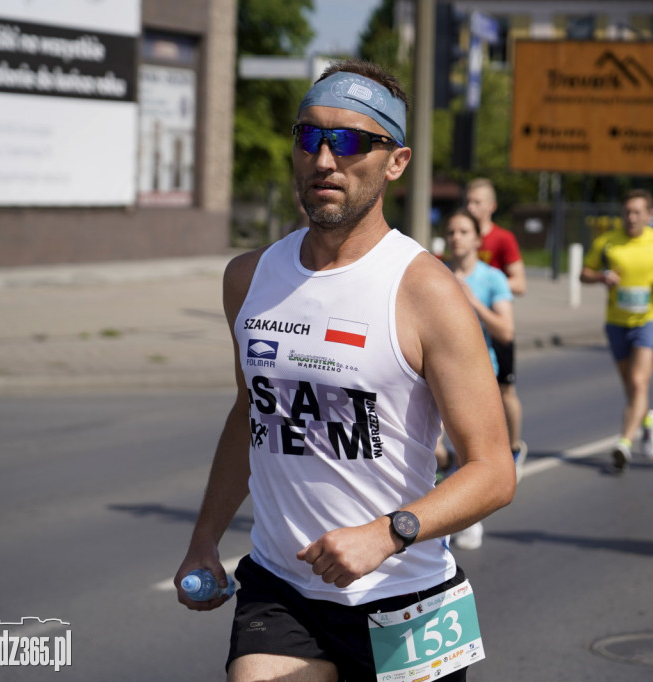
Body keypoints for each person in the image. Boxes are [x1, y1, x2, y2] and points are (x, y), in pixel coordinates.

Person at [174, 59, 515, 682]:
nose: (325, 159)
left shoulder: (425, 292)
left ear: (397, 162)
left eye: (351, 141)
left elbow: (494, 471)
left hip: (405, 601)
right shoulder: (249, 279)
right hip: (282, 587)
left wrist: (389, 532)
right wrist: (205, 538)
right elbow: (252, 411)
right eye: (310, 136)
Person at [579, 190, 653, 470]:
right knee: (631, 386)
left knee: (639, 383)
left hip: (650, 320)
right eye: (627, 211)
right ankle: (648, 421)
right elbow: (584, 272)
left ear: (649, 215)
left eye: (638, 212)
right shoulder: (607, 242)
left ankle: (624, 443)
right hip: (616, 322)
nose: (631, 217)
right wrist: (602, 276)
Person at [440, 208, 515, 549]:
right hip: (434, 373)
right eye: (451, 232)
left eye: (463, 232)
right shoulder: (434, 273)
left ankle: (467, 519)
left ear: (477, 239)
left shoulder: (492, 278)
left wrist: (473, 302)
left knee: (468, 453)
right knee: (434, 449)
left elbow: (506, 330)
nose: (456, 238)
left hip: (477, 375)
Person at [465, 178, 528, 477]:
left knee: (505, 391)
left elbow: (520, 283)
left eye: (477, 202)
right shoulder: (460, 236)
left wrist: (491, 283)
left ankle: (515, 446)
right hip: (470, 328)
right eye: (468, 201)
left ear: (491, 206)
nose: (471, 207)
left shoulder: (502, 239)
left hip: (494, 322)